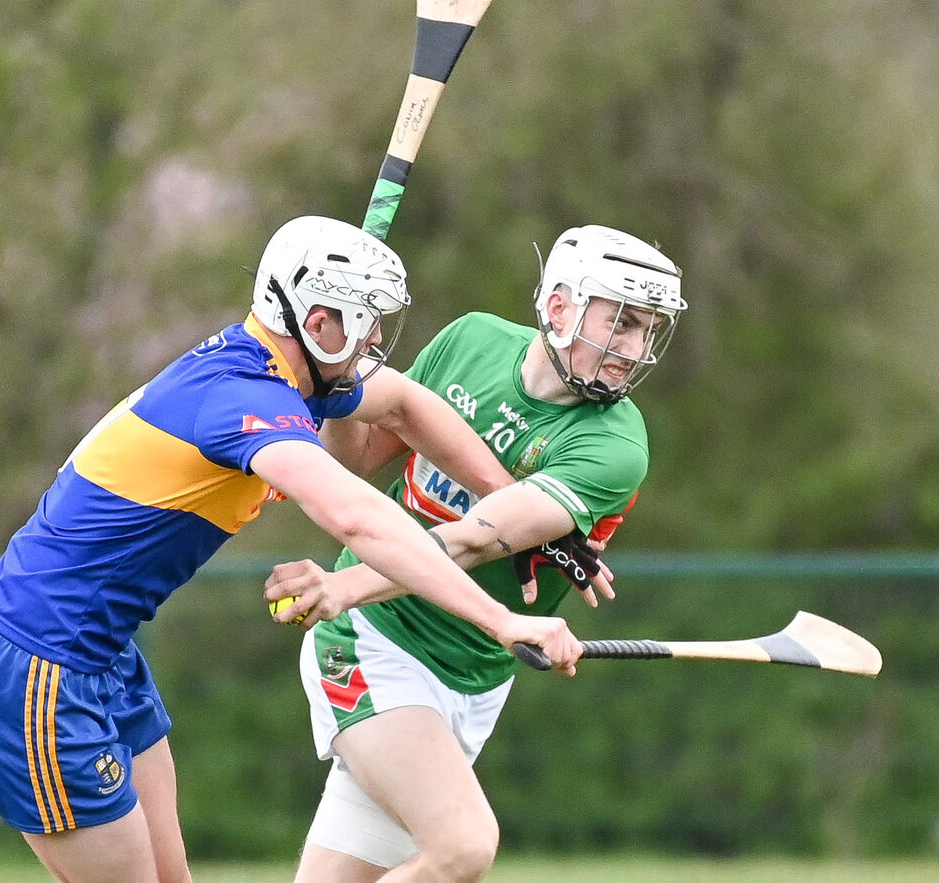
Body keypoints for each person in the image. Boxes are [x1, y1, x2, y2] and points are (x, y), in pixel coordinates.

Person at [0, 215, 582, 883]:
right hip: (33, 666)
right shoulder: (242, 398)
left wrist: (516, 505)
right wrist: (502, 620)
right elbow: (357, 517)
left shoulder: (276, 375)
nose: (378, 340)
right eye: (366, 320)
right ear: (318, 320)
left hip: (100, 656)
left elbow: (401, 404)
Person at [265, 224, 688, 883]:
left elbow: (476, 535)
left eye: (646, 330)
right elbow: (358, 459)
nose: (632, 350)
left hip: (474, 679)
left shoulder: (616, 447)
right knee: (463, 847)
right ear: (558, 308)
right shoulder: (471, 341)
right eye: (621, 323)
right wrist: (341, 380)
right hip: (373, 639)